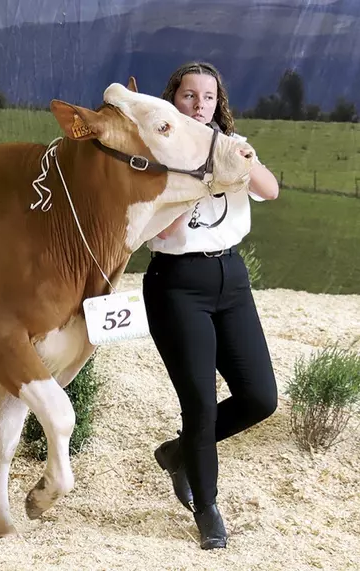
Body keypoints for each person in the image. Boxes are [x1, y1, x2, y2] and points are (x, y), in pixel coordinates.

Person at [143, 62, 280, 550]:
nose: (198, 104)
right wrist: (200, 177)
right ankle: (208, 509)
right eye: (188, 95)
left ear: (216, 102)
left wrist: (234, 157)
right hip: (177, 283)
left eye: (207, 96)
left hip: (231, 277)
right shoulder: (155, 156)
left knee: (261, 397)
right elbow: (160, 232)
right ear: (173, 100)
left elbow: (269, 190)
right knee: (199, 402)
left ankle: (178, 453)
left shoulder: (231, 145)